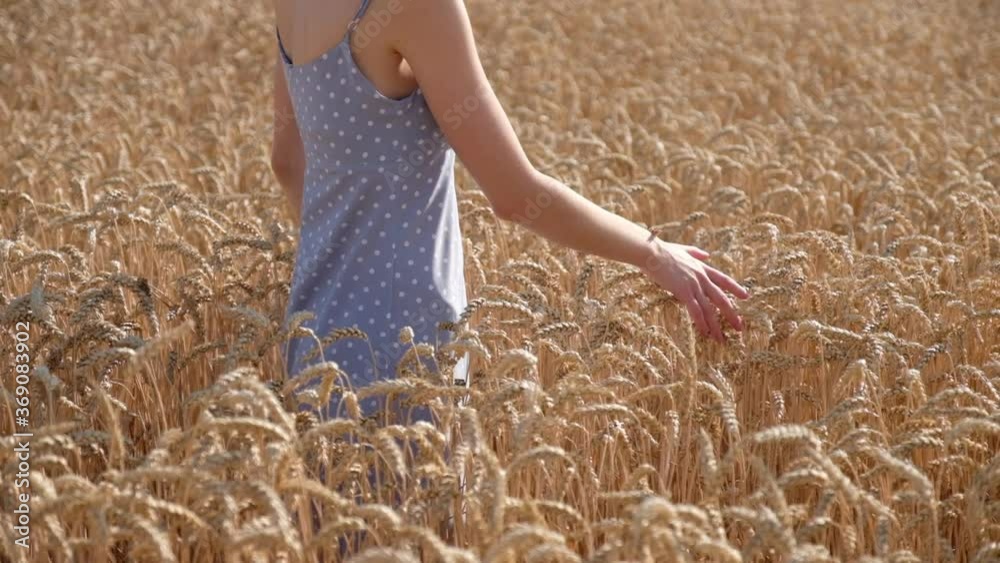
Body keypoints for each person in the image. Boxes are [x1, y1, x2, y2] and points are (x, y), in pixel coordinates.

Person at [270, 0, 751, 425]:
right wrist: (654, 253)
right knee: (416, 519)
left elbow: (288, 163)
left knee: (333, 522)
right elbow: (515, 194)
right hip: (404, 345)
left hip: (314, 332)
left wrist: (340, 264)